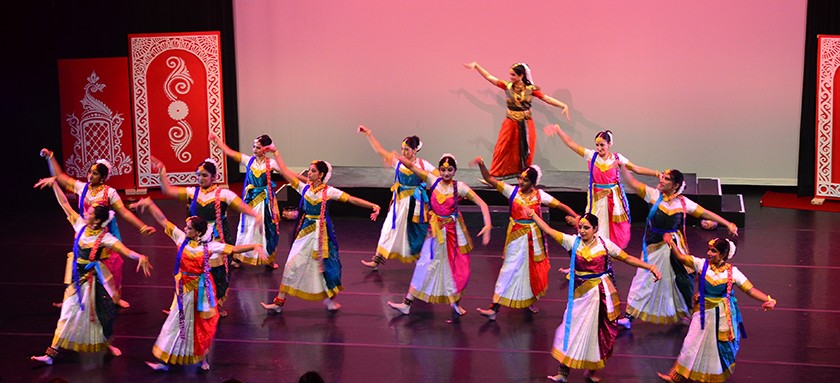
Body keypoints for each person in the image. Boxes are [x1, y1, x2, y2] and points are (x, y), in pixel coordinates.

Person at [130, 197, 265, 371]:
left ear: (198, 233)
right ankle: (165, 362)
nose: (185, 229)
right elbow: (164, 221)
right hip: (184, 291)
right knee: (175, 324)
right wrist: (150, 204)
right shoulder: (181, 239)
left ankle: (202, 358)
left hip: (201, 291)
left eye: (189, 228)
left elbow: (233, 249)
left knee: (202, 326)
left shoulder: (210, 247)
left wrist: (254, 246)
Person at [527, 210, 660, 382]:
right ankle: (563, 373)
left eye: (586, 228)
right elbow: (548, 230)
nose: (582, 231)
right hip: (581, 295)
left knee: (597, 333)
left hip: (602, 295)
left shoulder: (604, 245)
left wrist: (649, 267)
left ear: (595, 228)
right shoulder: (572, 242)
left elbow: (626, 258)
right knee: (572, 330)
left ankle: (591, 371)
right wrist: (534, 216)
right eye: (580, 227)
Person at [31, 178, 152, 365]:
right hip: (78, 281)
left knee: (102, 316)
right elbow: (64, 203)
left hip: (96, 281)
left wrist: (141, 257)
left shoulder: (106, 237)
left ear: (96, 220)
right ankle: (50, 354)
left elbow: (125, 251)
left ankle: (106, 344)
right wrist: (54, 184)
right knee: (66, 314)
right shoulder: (80, 225)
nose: (86, 212)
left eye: (90, 212)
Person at [260, 147, 380, 313]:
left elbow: (351, 200)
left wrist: (372, 205)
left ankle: (330, 300)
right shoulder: (304, 188)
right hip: (305, 232)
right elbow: (285, 172)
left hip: (322, 234)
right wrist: (276, 154)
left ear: (321, 174)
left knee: (325, 267)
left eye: (313, 171)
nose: (309, 173)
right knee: (291, 265)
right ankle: (279, 303)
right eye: (309, 170)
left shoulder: (329, 192)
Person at [617, 167, 738, 330]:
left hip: (675, 246)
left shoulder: (683, 203)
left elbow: (706, 213)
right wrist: (621, 167)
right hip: (654, 245)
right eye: (663, 177)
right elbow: (632, 182)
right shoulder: (652, 195)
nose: (662, 180)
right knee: (643, 279)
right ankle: (629, 317)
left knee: (681, 280)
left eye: (667, 179)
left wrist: (727, 223)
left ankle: (684, 313)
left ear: (675, 186)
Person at [38, 148, 156, 308]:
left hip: (104, 231)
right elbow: (60, 178)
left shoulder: (110, 192)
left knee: (110, 264)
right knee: (79, 263)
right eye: (89, 172)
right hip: (84, 230)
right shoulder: (81, 187)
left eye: (94, 173)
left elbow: (124, 213)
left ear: (102, 177)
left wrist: (142, 227)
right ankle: (71, 298)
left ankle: (114, 296)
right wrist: (50, 157)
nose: (90, 176)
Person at [657, 234, 776, 382]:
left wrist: (769, 299)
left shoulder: (733, 272)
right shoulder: (701, 264)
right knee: (690, 343)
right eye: (709, 250)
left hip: (722, 316)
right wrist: (671, 243)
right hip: (702, 312)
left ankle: (711, 377)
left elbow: (750, 290)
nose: (708, 253)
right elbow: (681, 258)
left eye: (713, 251)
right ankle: (676, 376)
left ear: (723, 255)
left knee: (714, 349)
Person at [153, 156, 262, 318]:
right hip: (196, 241)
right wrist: (162, 171)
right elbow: (167, 191)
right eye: (198, 175)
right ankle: (184, 305)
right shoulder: (192, 192)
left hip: (218, 240)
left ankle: (216, 304)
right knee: (193, 273)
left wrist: (256, 216)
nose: (200, 179)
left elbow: (242, 207)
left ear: (214, 177)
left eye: (204, 175)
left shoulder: (224, 194)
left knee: (218, 275)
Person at [386, 154, 492, 318]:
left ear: (455, 171)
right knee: (424, 264)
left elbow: (483, 204)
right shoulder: (432, 180)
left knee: (456, 267)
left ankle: (455, 302)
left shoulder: (460, 187)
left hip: (454, 233)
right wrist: (399, 157)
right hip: (435, 231)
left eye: (449, 170)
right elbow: (413, 167)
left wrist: (488, 225)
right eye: (443, 169)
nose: (446, 173)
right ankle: (407, 303)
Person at [472, 156, 579, 320]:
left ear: (533, 183)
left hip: (534, 240)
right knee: (508, 270)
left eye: (525, 180)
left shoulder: (539, 195)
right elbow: (489, 179)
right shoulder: (511, 191)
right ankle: (494, 308)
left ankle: (528, 300)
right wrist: (482, 165)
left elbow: (561, 206)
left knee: (531, 272)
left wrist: (576, 216)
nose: (521, 182)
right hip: (516, 239)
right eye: (520, 178)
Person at [543, 124, 659, 249]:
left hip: (613, 199)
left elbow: (636, 168)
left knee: (612, 225)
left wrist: (657, 173)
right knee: (595, 222)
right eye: (597, 145)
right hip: (597, 198)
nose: (599, 148)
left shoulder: (617, 158)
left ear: (609, 145)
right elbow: (571, 144)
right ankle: (595, 249)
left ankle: (608, 250)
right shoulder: (591, 156)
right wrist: (558, 130)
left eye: (602, 145)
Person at [463, 61, 571, 178]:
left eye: (513, 75)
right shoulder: (507, 86)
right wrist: (477, 66)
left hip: (525, 124)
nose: (511, 77)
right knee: (502, 148)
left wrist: (563, 105)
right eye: (510, 74)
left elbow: (547, 99)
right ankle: (494, 176)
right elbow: (489, 77)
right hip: (510, 123)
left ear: (521, 76)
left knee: (524, 150)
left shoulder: (530, 89)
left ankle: (523, 176)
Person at [356, 125, 436, 270]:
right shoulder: (398, 161)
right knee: (387, 229)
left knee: (419, 232)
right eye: (402, 149)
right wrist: (368, 134)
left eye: (407, 149)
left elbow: (437, 177)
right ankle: (377, 259)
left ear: (415, 150)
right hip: (399, 203)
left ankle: (426, 260)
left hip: (416, 204)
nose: (403, 152)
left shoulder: (424, 165)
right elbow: (380, 151)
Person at [210, 133, 281, 269]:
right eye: (254, 146)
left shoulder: (270, 163)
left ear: (265, 149)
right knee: (246, 227)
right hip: (250, 200)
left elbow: (286, 173)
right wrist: (217, 140)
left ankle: (268, 258)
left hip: (265, 202)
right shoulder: (248, 160)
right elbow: (229, 152)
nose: (254, 149)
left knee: (266, 229)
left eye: (258, 147)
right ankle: (239, 256)